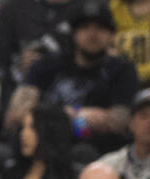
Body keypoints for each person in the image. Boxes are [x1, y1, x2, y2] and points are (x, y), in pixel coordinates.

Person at [25, 0, 137, 161]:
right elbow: (16, 115)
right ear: (73, 33)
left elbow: (121, 123)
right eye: (84, 27)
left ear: (112, 35)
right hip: (44, 143)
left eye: (101, 28)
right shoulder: (47, 64)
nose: (93, 34)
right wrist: (82, 116)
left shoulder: (121, 70)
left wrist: (61, 117)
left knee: (83, 151)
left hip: (97, 153)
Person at [0, 0, 78, 89]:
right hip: (19, 89)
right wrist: (18, 64)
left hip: (70, 90)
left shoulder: (86, 9)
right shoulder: (14, 9)